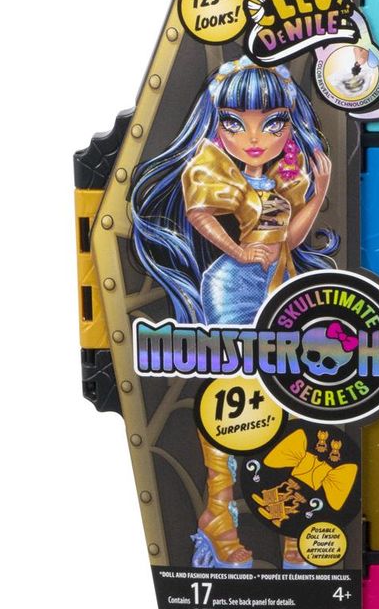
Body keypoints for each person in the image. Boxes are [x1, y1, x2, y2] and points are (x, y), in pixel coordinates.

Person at [131, 57, 337, 568]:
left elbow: (289, 238)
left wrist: (319, 193)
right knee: (231, 395)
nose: (254, 138)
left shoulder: (288, 178)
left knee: (291, 397)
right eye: (234, 123)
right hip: (232, 285)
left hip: (281, 287)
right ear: (217, 123)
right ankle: (219, 511)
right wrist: (240, 251)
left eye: (272, 123)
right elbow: (199, 214)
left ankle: (292, 516)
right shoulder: (213, 168)